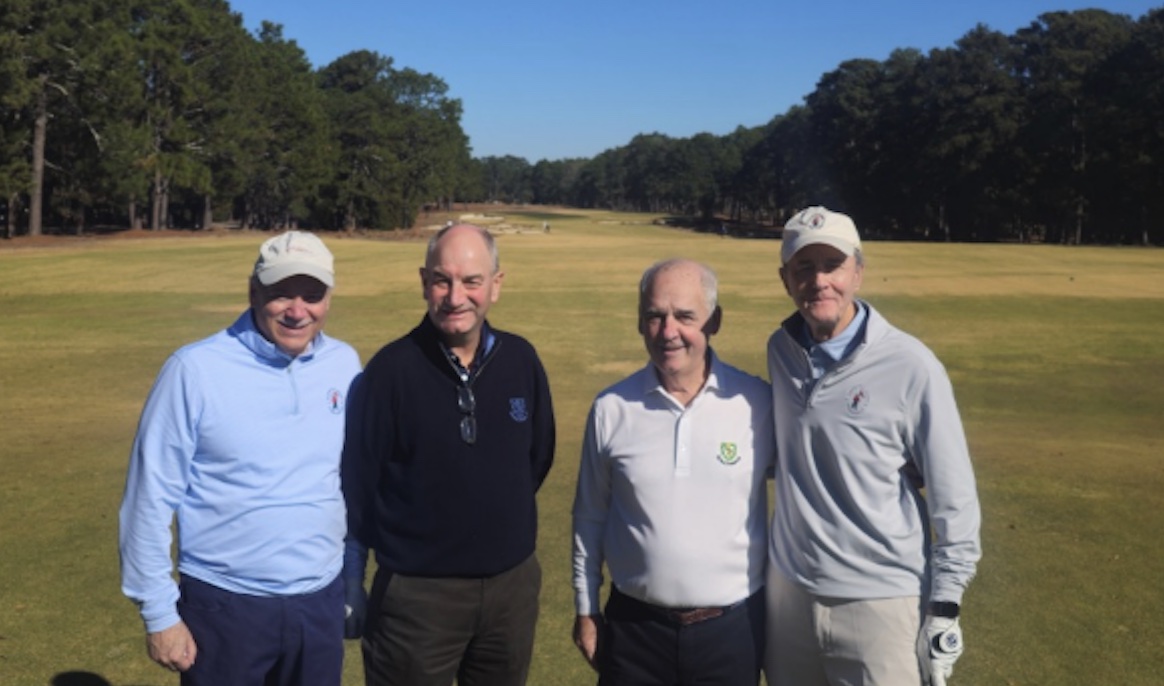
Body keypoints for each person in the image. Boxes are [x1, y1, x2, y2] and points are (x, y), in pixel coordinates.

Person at [118, 230, 361, 686]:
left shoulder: (345, 365)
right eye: (281, 293)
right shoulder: (194, 370)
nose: (297, 310)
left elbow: (349, 483)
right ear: (254, 291)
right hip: (226, 608)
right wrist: (158, 613)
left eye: (312, 295)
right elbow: (147, 499)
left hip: (319, 601)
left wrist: (350, 580)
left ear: (328, 298)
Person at [764, 206, 982, 686]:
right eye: (804, 267)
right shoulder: (780, 351)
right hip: (788, 603)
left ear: (858, 272)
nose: (819, 281)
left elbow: (954, 497)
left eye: (833, 265)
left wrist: (944, 607)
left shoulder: (910, 365)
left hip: (880, 602)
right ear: (786, 279)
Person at [342, 223, 555, 686]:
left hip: (510, 591)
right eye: (442, 280)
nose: (455, 296)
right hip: (417, 599)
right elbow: (359, 486)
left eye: (471, 281)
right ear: (424, 283)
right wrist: (351, 580)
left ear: (496, 285)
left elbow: (535, 460)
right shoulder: (389, 372)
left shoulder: (522, 360)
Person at [572, 258, 774, 686]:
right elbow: (589, 516)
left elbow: (813, 474)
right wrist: (586, 609)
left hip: (733, 632)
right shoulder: (612, 408)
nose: (668, 332)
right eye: (654, 316)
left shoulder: (757, 403)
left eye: (685, 316)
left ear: (714, 321)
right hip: (633, 631)